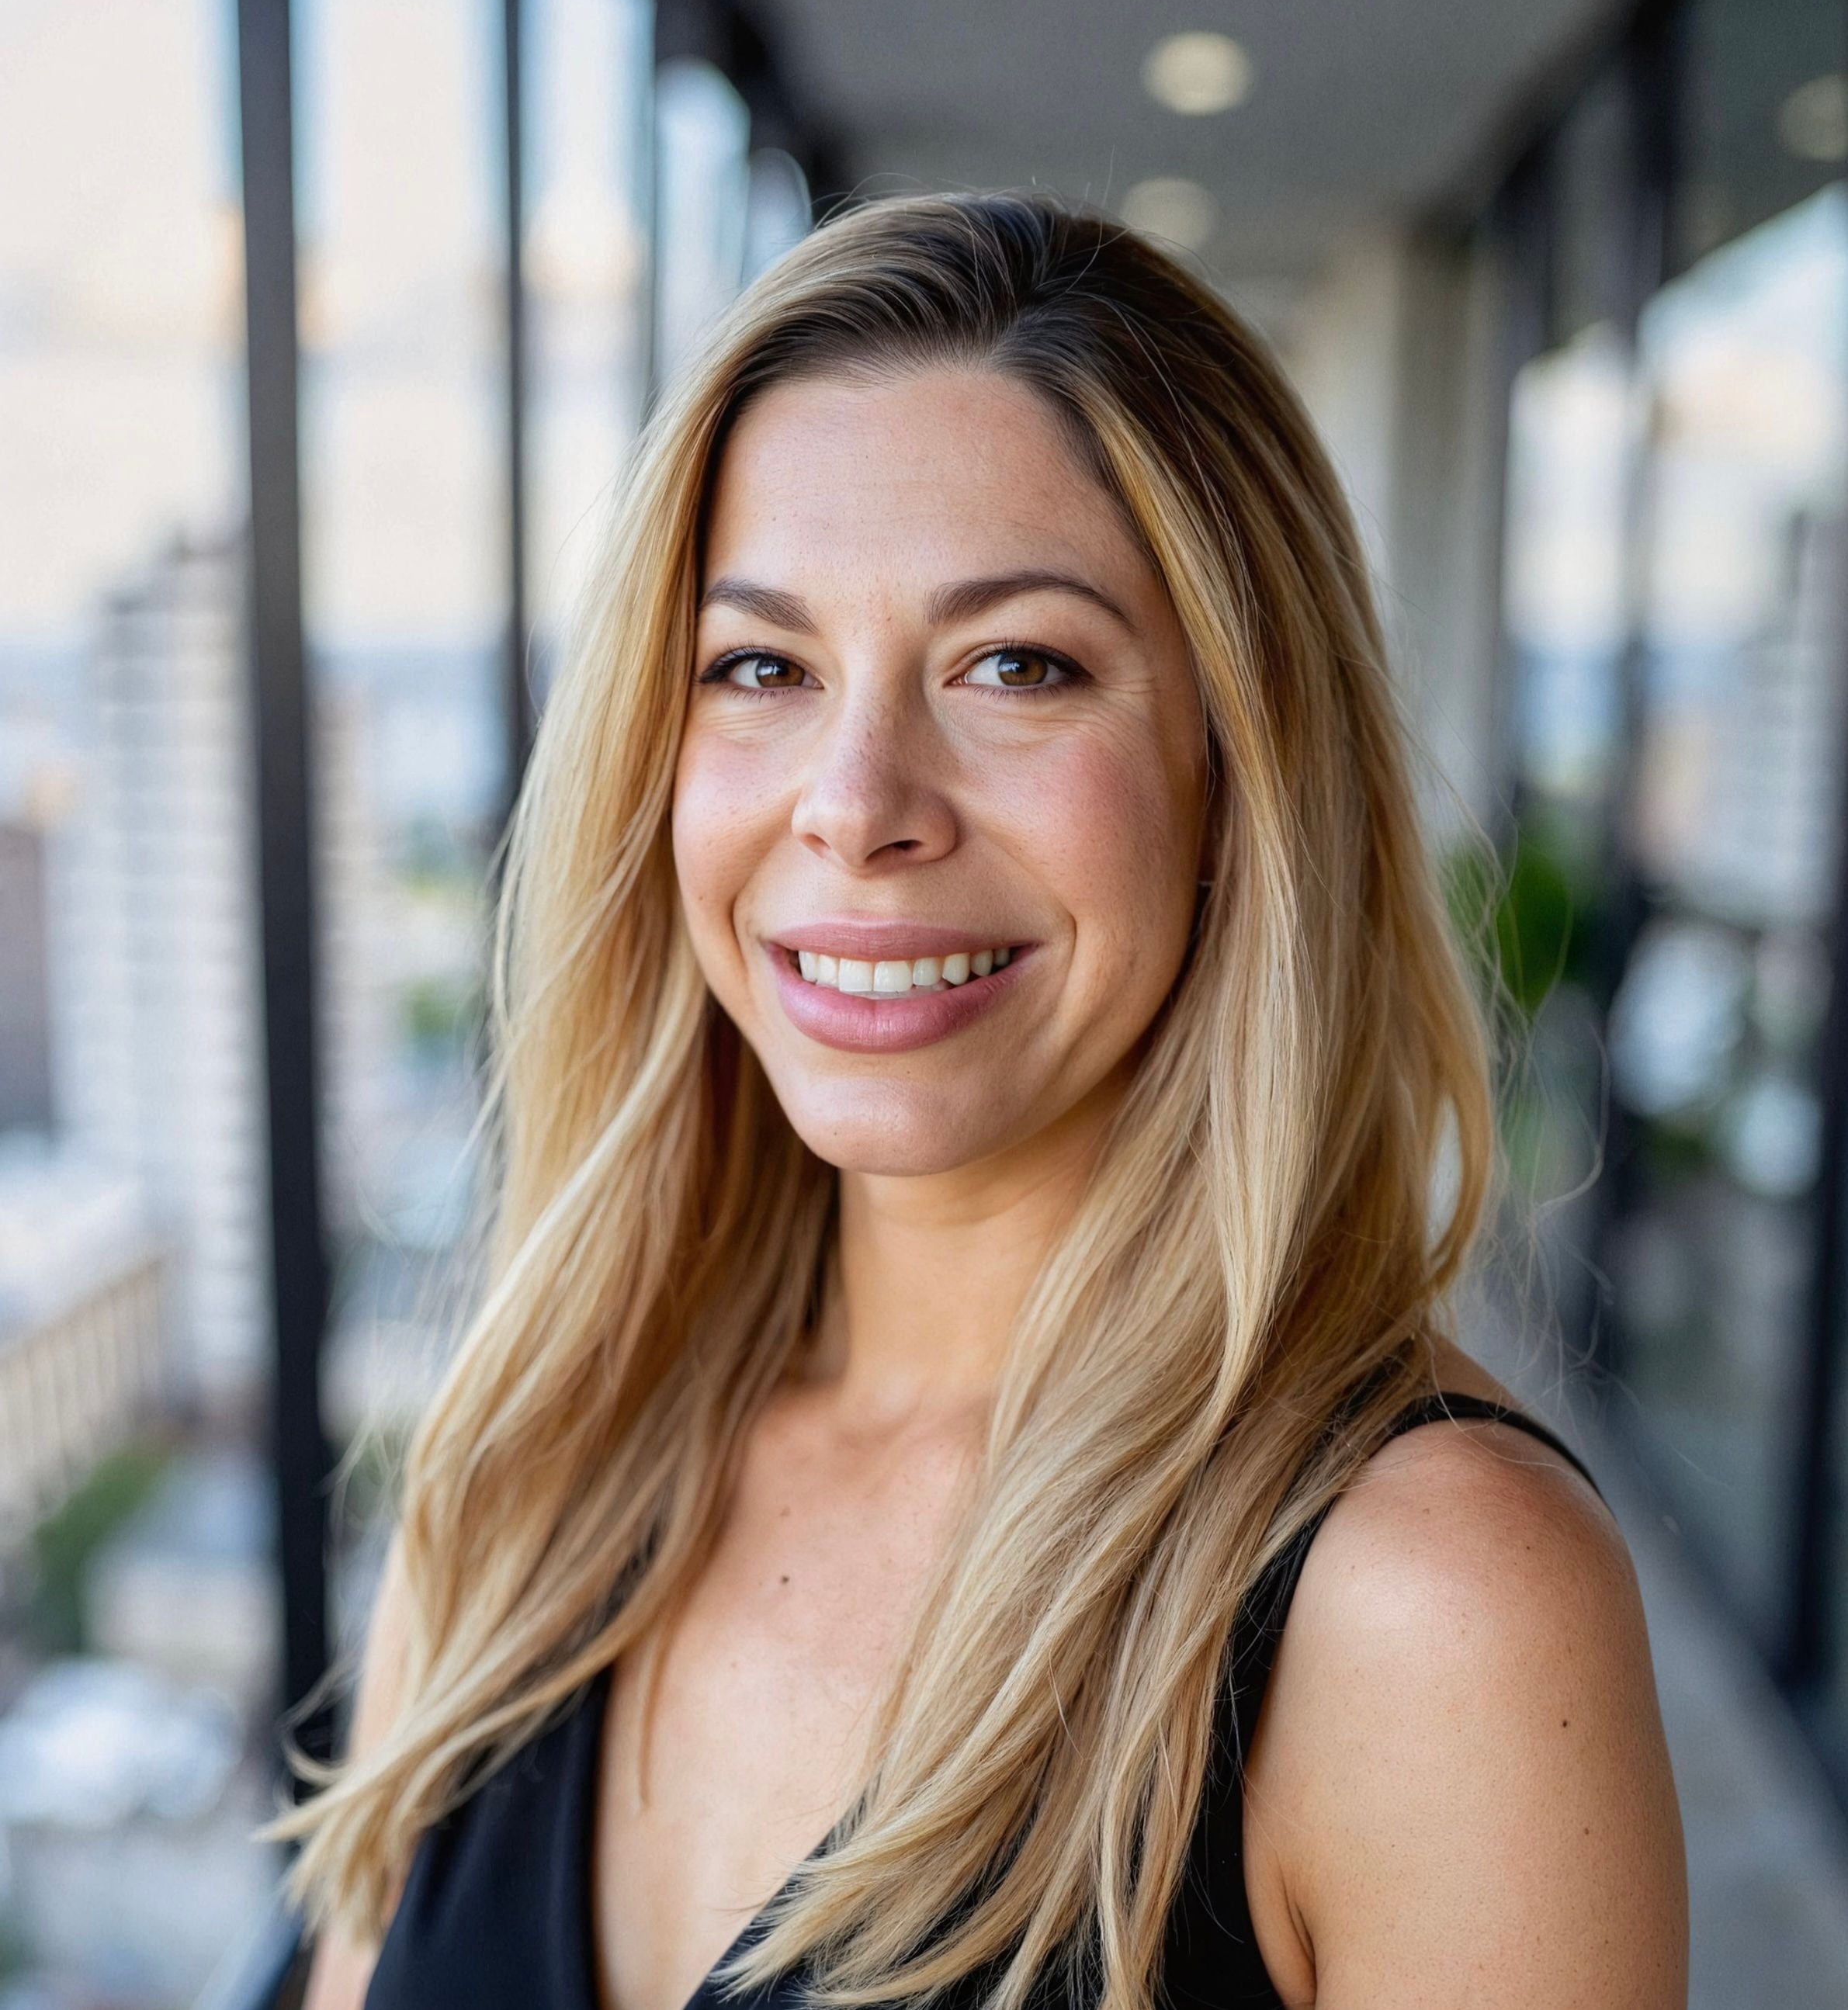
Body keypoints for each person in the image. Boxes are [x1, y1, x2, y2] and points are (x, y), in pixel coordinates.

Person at [288, 193, 1687, 2010]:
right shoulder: (532, 1469)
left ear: (1242, 765)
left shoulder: (1435, 1604)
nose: (856, 801)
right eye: (761, 666)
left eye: (1017, 664)